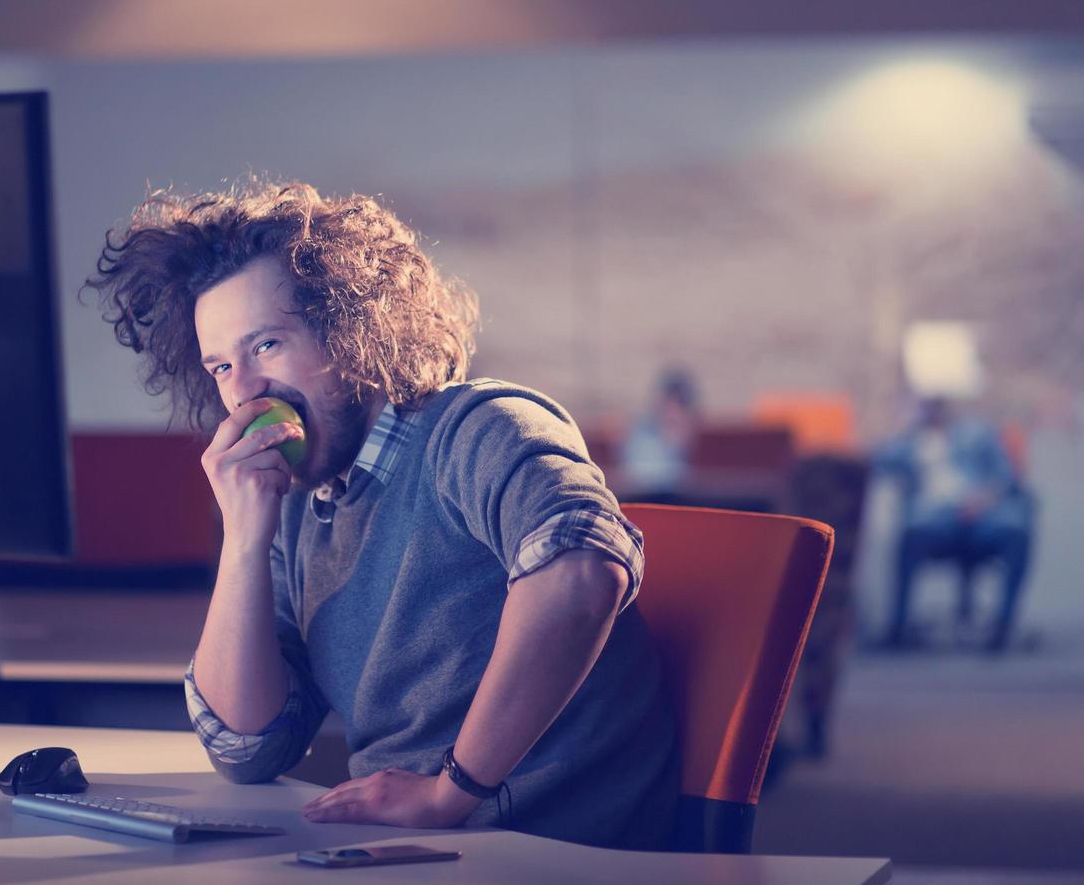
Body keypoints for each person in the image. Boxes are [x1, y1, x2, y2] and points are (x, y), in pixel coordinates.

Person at [85, 181, 676, 849]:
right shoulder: (296, 508)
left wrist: (451, 792)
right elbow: (247, 748)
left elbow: (582, 576)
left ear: (349, 331)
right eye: (221, 366)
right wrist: (245, 541)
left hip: (546, 852)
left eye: (266, 346)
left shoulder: (480, 428)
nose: (243, 391)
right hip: (414, 855)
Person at [876, 397, 1033, 652]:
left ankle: (1003, 627)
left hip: (981, 515)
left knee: (1017, 534)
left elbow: (1004, 475)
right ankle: (898, 626)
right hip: (932, 520)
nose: (934, 407)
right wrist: (901, 428)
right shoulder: (909, 442)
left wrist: (983, 500)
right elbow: (879, 460)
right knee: (910, 536)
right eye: (926, 402)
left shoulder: (977, 434)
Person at [618, 368, 700, 501]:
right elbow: (634, 475)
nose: (671, 411)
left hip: (672, 495)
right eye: (669, 404)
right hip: (641, 495)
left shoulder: (683, 434)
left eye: (677, 405)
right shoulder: (641, 430)